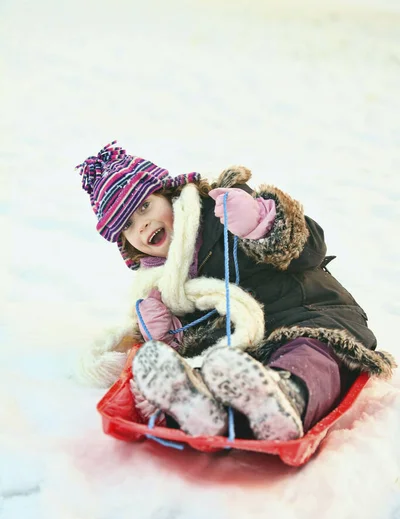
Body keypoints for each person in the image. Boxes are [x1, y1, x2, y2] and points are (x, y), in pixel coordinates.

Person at [76, 141, 395, 441]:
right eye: (127, 225)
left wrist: (262, 223)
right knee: (221, 372)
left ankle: (287, 398)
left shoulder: (224, 208)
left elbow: (310, 247)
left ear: (169, 194)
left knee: (309, 353)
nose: (141, 225)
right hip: (249, 359)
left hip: (314, 315)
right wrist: (169, 333)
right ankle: (205, 409)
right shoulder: (166, 288)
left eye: (145, 206)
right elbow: (206, 337)